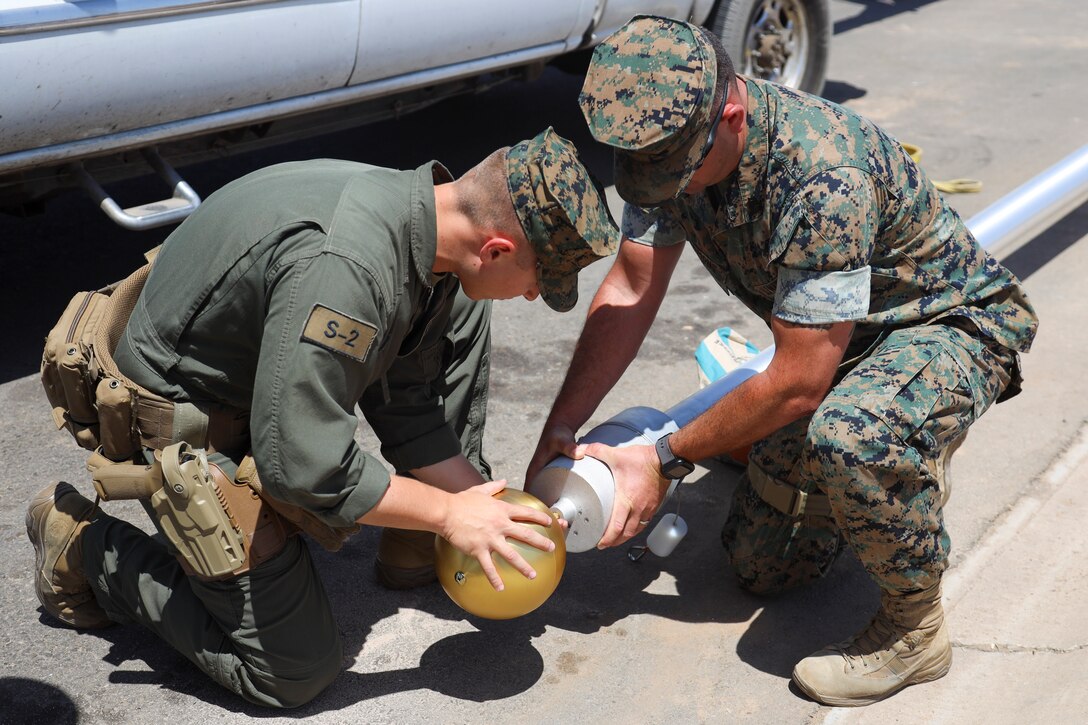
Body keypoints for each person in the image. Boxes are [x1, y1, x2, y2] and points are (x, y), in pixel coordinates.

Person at [526, 16, 1038, 707]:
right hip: (834, 339)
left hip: (945, 327)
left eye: (674, 170)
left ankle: (915, 628)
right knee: (759, 568)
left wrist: (666, 458)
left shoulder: (821, 175)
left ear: (730, 111)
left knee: (853, 439)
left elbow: (798, 379)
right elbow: (634, 285)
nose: (658, 187)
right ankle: (880, 457)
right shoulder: (668, 145)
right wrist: (562, 423)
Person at [27, 127, 620, 708]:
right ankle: (85, 546)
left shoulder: (424, 227)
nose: (534, 298)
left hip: (257, 383)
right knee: (292, 672)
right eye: (543, 279)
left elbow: (406, 400)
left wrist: (480, 505)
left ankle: (417, 535)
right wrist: (446, 514)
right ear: (497, 248)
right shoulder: (350, 267)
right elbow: (302, 465)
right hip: (181, 416)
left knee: (468, 310)